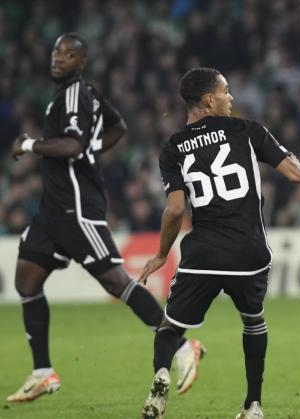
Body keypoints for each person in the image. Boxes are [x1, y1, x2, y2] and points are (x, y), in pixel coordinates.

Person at [7, 33, 204, 403]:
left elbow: (72, 146)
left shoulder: (76, 95)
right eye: (55, 52)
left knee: (116, 282)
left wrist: (31, 144)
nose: (57, 59)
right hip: (52, 210)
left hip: (76, 207)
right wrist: (91, 150)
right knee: (27, 280)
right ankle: (43, 372)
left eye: (68, 55)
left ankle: (181, 347)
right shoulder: (87, 95)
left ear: (81, 63)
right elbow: (119, 128)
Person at [138, 67, 300, 419]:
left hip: (203, 254)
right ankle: (253, 405)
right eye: (226, 91)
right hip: (250, 252)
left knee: (171, 327)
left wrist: (161, 254)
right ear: (209, 99)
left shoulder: (173, 148)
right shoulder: (247, 130)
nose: (232, 98)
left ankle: (162, 373)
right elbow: (295, 174)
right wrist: (292, 158)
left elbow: (175, 209)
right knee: (253, 321)